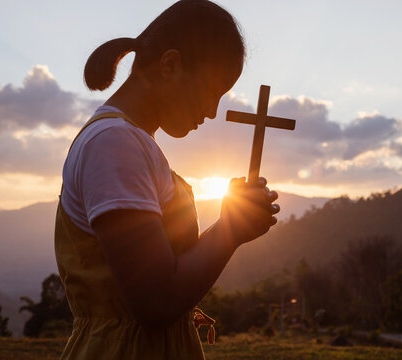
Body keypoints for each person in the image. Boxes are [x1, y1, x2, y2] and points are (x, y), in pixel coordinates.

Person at [54, 1, 280, 358]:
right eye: (212, 91)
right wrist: (230, 230)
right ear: (170, 65)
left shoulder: (134, 143)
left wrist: (232, 224)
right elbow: (155, 301)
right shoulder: (114, 144)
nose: (212, 111)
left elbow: (167, 268)